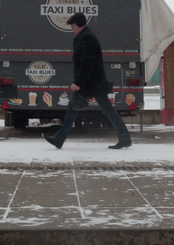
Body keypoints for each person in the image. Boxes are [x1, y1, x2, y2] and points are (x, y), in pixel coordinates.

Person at [43, 12, 132, 150]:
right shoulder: (84, 37)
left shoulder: (87, 38)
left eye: (72, 25)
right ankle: (124, 138)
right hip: (92, 82)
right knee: (100, 109)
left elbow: (87, 64)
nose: (71, 28)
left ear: (79, 24)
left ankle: (59, 139)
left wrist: (78, 82)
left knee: (77, 108)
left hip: (91, 83)